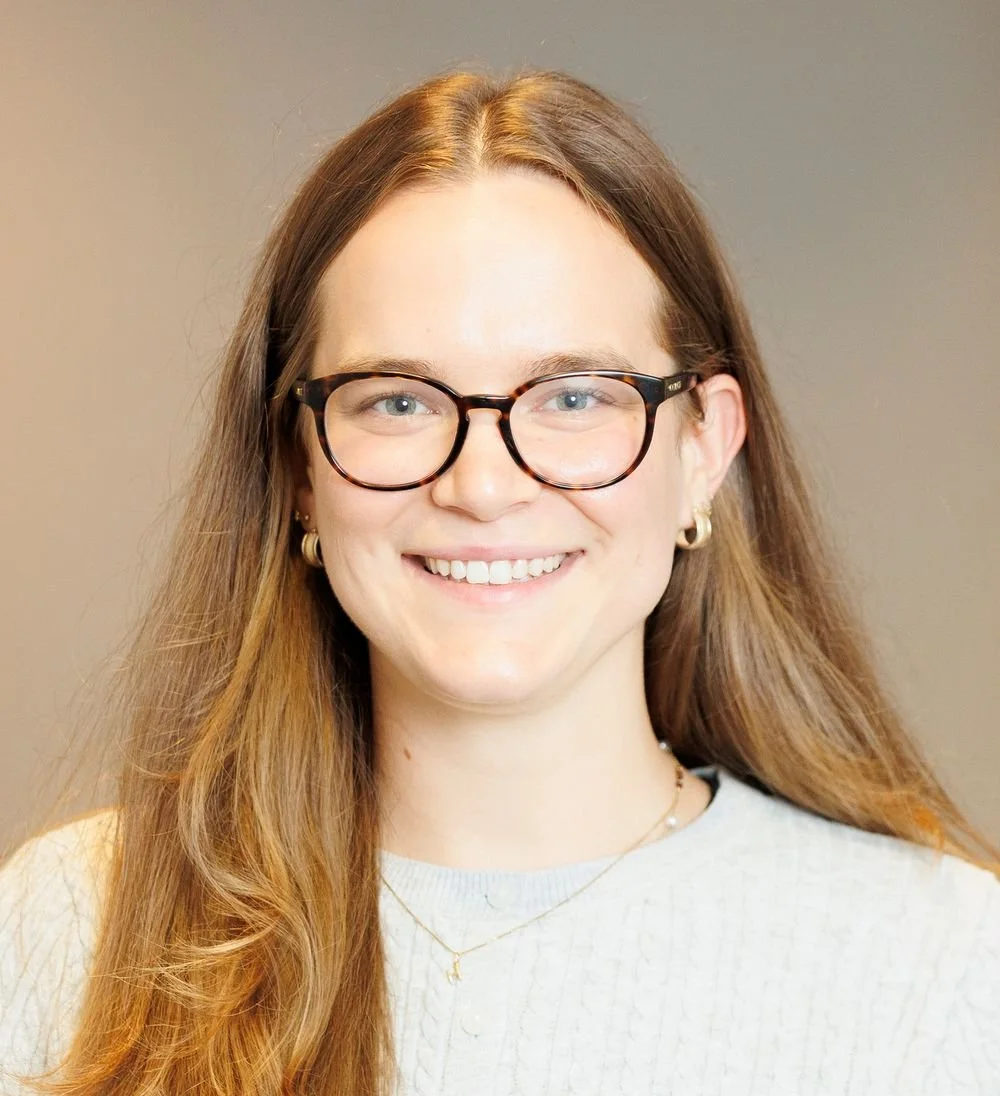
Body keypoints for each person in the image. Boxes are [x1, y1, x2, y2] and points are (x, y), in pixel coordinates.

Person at [0, 68, 997, 1096]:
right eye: (395, 402)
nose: (482, 484)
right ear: (298, 468)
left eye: (572, 395)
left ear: (704, 448)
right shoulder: (70, 929)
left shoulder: (939, 970)